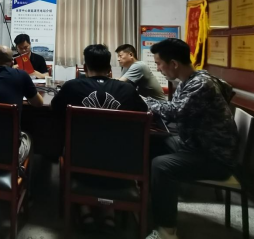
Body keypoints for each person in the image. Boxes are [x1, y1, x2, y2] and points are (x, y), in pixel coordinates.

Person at [145, 38, 238, 239]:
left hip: (214, 157)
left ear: (173, 63)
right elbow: (174, 108)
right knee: (152, 142)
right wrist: (150, 102)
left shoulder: (200, 84)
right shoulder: (192, 80)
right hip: (196, 146)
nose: (158, 69)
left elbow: (174, 112)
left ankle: (166, 231)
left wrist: (145, 102)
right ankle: (153, 203)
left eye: (159, 64)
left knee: (162, 165)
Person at [51, 44, 147, 232]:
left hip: (79, 162)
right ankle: (109, 212)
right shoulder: (127, 90)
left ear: (84, 67)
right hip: (121, 164)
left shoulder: (72, 86)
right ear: (110, 69)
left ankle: (84, 209)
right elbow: (143, 115)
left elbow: (55, 109)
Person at [0, 45, 43, 164]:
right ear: (12, 62)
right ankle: (20, 171)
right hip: (9, 148)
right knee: (29, 136)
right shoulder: (21, 75)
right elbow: (38, 103)